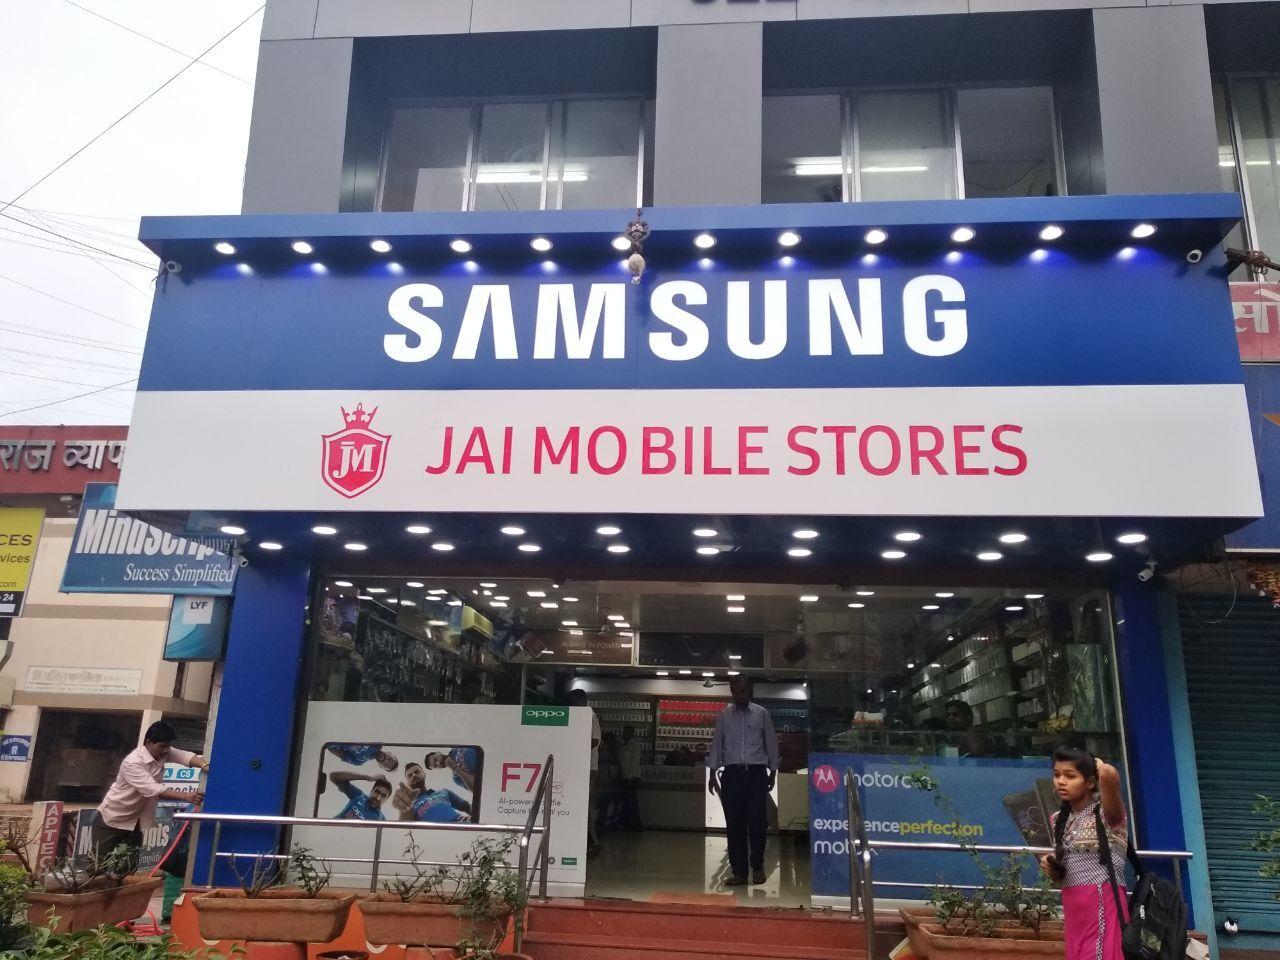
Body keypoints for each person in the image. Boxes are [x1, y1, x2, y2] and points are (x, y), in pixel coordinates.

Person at [1040, 746, 1128, 960]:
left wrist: (1095, 764)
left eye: (1070, 776)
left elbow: (1109, 775)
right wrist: (1051, 868)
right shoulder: (1058, 819)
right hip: (1074, 908)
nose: (1061, 781)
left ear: (1090, 782)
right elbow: (1062, 879)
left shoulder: (1108, 815)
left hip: (1102, 902)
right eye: (1057, 775)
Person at [93, 721, 208, 868]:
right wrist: (187, 797)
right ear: (148, 742)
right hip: (113, 818)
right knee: (97, 865)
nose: (166, 750)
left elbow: (185, 757)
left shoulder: (164, 751)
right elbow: (153, 789)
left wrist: (204, 765)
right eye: (162, 746)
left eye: (168, 746)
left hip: (136, 821)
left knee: (128, 867)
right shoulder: (133, 763)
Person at [708, 675, 778, 886]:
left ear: (749, 691)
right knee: (734, 824)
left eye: (742, 691)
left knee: (757, 822)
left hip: (756, 774)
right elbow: (717, 744)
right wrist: (712, 773)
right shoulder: (724, 716)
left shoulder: (761, 714)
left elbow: (771, 743)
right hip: (732, 775)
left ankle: (757, 867)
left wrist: (773, 771)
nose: (738, 696)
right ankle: (739, 872)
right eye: (734, 692)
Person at [568, 689, 601, 854]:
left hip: (589, 767)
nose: (572, 706)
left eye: (574, 703)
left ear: (581, 701)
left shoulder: (590, 716)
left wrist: (576, 750)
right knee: (582, 804)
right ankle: (587, 838)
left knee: (585, 804)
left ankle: (592, 839)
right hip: (582, 766)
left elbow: (594, 740)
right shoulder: (580, 716)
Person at [393, 761, 472, 822]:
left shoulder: (444, 792)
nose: (414, 775)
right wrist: (405, 808)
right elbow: (405, 829)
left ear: (424, 775)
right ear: (407, 782)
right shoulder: (409, 805)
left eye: (417, 772)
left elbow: (467, 807)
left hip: (462, 824)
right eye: (410, 775)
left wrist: (475, 820)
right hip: (433, 836)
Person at [619, 724, 643, 832]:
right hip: (625, 778)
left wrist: (630, 777)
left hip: (632, 778)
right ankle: (628, 823)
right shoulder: (623, 746)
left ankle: (634, 824)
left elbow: (635, 763)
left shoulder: (635, 746)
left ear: (631, 733)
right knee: (626, 802)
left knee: (631, 802)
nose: (624, 734)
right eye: (623, 732)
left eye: (626, 732)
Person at [326, 742, 399, 772]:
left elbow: (337, 752)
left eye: (385, 765)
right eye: (390, 759)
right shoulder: (378, 741)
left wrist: (330, 745)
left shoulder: (359, 761)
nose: (385, 760)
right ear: (390, 753)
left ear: (380, 766)